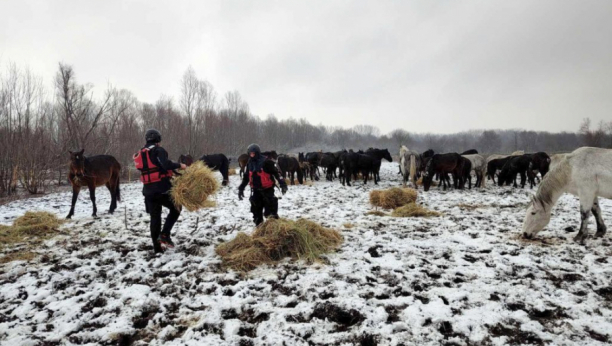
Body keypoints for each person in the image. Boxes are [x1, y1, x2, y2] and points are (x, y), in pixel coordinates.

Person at [134, 129, 187, 253]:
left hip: (148, 191)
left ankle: (157, 248)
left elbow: (152, 168)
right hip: (161, 189)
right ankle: (164, 235)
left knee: (155, 217)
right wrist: (180, 166)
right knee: (176, 207)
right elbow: (165, 164)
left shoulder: (141, 153)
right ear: (158, 140)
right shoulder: (158, 150)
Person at [238, 144, 288, 225]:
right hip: (256, 191)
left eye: (253, 154)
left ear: (257, 153)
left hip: (267, 190)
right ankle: (259, 228)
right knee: (256, 214)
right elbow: (246, 177)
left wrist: (283, 184)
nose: (251, 155)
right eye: (250, 154)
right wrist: (241, 189)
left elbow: (277, 173)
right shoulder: (249, 163)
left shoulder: (266, 162)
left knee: (270, 213)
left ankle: (274, 228)